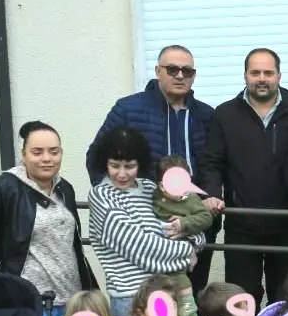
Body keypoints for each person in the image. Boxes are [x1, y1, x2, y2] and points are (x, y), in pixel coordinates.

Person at [199, 48, 288, 316]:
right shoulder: (226, 115)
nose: (262, 79)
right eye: (255, 73)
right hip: (242, 223)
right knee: (242, 298)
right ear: (246, 76)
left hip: (285, 224)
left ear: (279, 75)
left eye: (268, 73)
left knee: (284, 298)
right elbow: (212, 161)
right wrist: (213, 194)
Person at [87, 45, 219, 292]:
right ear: (158, 71)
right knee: (149, 293)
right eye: (172, 69)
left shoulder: (206, 115)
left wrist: (210, 198)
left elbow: (215, 163)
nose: (180, 75)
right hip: (150, 213)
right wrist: (117, 199)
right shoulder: (128, 108)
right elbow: (97, 155)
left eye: (187, 71)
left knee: (192, 291)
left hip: (195, 212)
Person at [0, 120, 98, 316]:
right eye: (37, 152)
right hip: (27, 304)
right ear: (24, 155)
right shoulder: (2, 189)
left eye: (54, 151)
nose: (47, 159)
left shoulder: (64, 189)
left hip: (72, 302)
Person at [85, 127, 201, 316]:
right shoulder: (101, 195)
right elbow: (140, 248)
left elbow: (194, 227)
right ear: (104, 163)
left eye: (129, 166)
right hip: (131, 298)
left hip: (169, 292)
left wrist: (191, 236)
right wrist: (187, 251)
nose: (121, 174)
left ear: (140, 163)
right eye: (114, 165)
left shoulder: (150, 189)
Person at [153, 154, 215, 316]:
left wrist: (185, 223)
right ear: (162, 186)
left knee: (181, 280)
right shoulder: (153, 197)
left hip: (179, 252)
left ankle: (188, 309)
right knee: (159, 288)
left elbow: (206, 217)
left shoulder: (191, 200)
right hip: (155, 255)